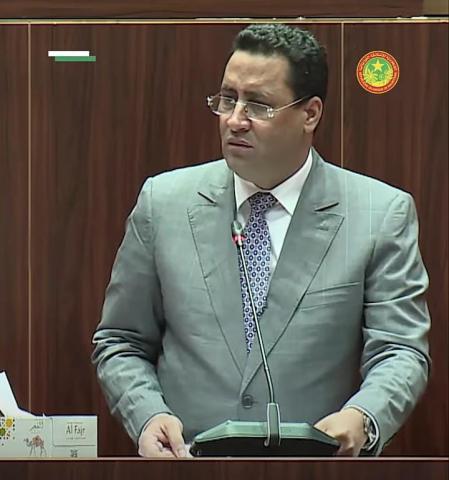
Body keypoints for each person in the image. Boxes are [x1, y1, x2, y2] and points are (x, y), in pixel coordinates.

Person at [92, 24, 430, 458]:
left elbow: (400, 350)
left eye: (258, 105)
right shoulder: (164, 203)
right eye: (227, 99)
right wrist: (147, 414)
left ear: (310, 114)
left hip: (315, 467)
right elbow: (121, 341)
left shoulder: (377, 214)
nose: (235, 119)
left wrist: (363, 417)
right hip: (189, 464)